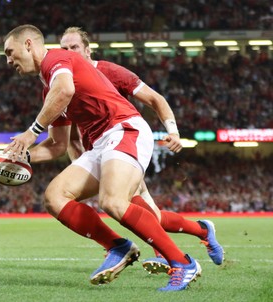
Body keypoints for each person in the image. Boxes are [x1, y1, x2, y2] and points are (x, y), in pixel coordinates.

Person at [3, 24, 201, 291]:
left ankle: (183, 263)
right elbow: (57, 146)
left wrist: (31, 132)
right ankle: (118, 246)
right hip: (101, 144)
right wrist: (18, 155)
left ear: (28, 44)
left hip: (124, 129)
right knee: (55, 197)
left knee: (113, 201)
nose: (8, 60)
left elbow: (65, 92)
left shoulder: (56, 59)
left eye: (9, 52)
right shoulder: (48, 85)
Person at [59, 27, 224, 274]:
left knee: (131, 208)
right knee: (149, 215)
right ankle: (200, 231)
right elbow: (70, 140)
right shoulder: (63, 84)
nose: (69, 53)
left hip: (123, 145)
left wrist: (173, 131)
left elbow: (156, 99)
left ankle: (169, 255)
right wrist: (82, 167)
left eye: (74, 47)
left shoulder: (108, 71)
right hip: (99, 154)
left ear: (87, 50)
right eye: (64, 49)